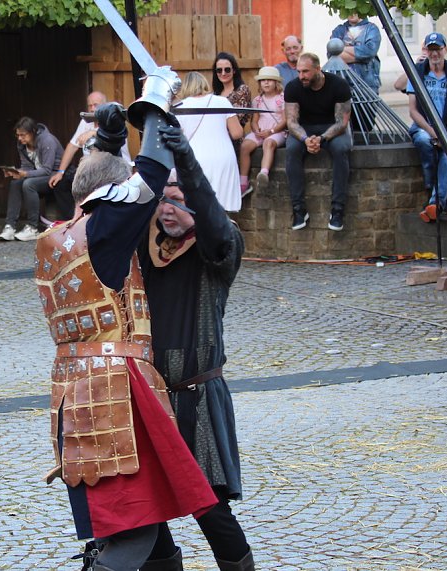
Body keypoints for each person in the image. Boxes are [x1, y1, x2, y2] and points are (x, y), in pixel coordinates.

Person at [35, 94, 218, 571]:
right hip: (113, 395)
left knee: (155, 537)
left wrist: (110, 138)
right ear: (112, 198)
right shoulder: (105, 230)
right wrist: (156, 103)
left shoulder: (62, 235)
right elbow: (151, 177)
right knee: (131, 534)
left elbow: (107, 185)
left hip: (76, 390)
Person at [139, 126, 253, 571]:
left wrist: (186, 161)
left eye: (180, 198)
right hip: (150, 395)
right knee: (145, 498)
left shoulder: (219, 248)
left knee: (206, 504)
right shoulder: (148, 246)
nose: (169, 208)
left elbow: (211, 218)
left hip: (197, 397)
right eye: (165, 198)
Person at [284, 53, 353, 232]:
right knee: (291, 150)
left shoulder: (339, 85)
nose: (301, 76)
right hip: (305, 128)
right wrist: (306, 139)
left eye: (306, 71)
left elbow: (342, 123)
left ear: (318, 68)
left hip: (332, 127)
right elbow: (291, 122)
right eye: (299, 71)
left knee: (341, 149)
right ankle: (299, 209)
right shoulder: (293, 87)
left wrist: (321, 139)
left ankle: (337, 209)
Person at [405, 33, 447, 223]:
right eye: (431, 49)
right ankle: (436, 193)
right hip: (425, 127)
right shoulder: (417, 71)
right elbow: (413, 111)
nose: (435, 53)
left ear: (445, 49)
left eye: (438, 49)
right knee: (424, 141)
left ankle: (435, 202)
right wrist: (433, 133)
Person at [48, 91, 132, 222]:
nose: (93, 109)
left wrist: (94, 133)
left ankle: (93, 221)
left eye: (96, 105)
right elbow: (72, 146)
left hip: (113, 170)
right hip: (91, 169)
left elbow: (111, 139)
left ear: (105, 105)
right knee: (61, 182)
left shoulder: (113, 118)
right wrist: (60, 171)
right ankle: (71, 221)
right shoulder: (86, 121)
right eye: (90, 105)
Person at [176, 71, 244, 211]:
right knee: (223, 208)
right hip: (223, 157)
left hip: (195, 159)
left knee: (198, 208)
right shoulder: (222, 101)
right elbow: (237, 133)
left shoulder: (179, 108)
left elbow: (177, 140)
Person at [0, 117, 62, 242]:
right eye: (18, 135)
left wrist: (25, 174)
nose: (20, 138)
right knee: (16, 183)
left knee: (29, 184)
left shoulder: (47, 140)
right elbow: (26, 167)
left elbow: (47, 170)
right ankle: (10, 226)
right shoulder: (22, 144)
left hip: (55, 175)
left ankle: (33, 228)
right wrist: (16, 172)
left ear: (33, 131)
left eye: (23, 135)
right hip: (39, 174)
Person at [239, 66, 287, 196]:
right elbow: (255, 119)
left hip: (276, 131)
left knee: (268, 144)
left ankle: (263, 172)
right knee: (244, 146)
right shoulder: (257, 100)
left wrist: (271, 131)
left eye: (270, 80)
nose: (266, 82)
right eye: (263, 80)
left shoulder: (281, 99)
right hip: (261, 130)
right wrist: (255, 129)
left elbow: (284, 120)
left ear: (276, 82)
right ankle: (243, 181)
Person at [330, 13, 381, 94]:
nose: (352, 13)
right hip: (343, 84)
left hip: (367, 85)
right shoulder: (339, 30)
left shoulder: (371, 29)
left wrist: (342, 49)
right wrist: (359, 55)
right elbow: (332, 55)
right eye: (348, 10)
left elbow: (369, 52)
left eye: (355, 10)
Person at [212, 52, 252, 129]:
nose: (223, 73)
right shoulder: (215, 94)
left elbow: (236, 119)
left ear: (234, 70)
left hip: (233, 138)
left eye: (227, 70)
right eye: (219, 70)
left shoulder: (243, 90)